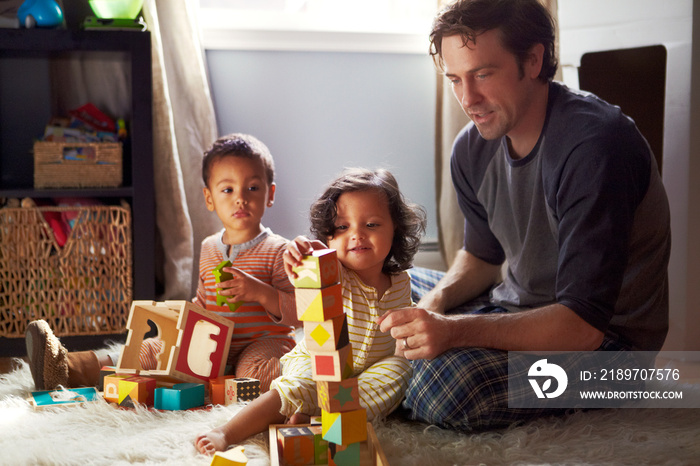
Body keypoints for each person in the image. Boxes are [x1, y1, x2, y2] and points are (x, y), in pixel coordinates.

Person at [378, 0, 671, 431]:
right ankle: (397, 362)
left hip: (609, 356)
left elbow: (582, 328)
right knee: (380, 285)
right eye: (455, 79)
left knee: (447, 386)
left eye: (482, 74)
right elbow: (481, 258)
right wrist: (433, 307)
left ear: (533, 60)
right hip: (513, 306)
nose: (468, 99)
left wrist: (453, 332)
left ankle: (388, 374)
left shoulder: (596, 147)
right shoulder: (472, 146)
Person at [25, 133, 299, 392]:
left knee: (259, 375)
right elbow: (205, 302)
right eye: (227, 189)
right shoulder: (209, 247)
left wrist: (261, 292)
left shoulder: (279, 250)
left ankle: (293, 377)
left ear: (270, 194)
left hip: (263, 343)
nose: (241, 197)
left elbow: (298, 314)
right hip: (214, 343)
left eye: (252, 187)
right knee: (150, 350)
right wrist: (183, 321)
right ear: (209, 198)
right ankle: (67, 367)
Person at [194, 167, 426, 454]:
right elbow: (308, 275)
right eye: (343, 227)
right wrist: (303, 255)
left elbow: (406, 322)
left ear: (396, 231)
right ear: (329, 238)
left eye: (372, 225)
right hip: (318, 361)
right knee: (298, 385)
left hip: (368, 372)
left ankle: (318, 419)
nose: (356, 235)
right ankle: (226, 431)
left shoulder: (402, 281)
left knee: (400, 370)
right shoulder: (335, 272)